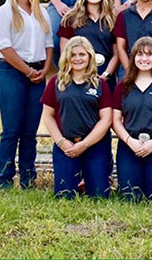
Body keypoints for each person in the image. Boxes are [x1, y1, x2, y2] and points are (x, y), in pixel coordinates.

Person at [0, 0, 53, 188]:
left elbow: (49, 44)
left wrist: (45, 69)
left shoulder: (42, 12)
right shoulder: (5, 11)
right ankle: (5, 179)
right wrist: (27, 71)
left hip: (38, 73)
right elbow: (5, 47)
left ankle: (28, 178)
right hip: (12, 72)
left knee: (30, 131)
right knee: (11, 129)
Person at [40, 37, 112, 198]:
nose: (77, 58)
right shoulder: (56, 82)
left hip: (93, 145)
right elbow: (48, 115)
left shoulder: (100, 84)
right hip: (66, 144)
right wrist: (61, 142)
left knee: (100, 196)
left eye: (82, 54)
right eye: (73, 55)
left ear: (90, 57)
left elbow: (106, 119)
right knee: (64, 195)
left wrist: (85, 144)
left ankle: (92, 180)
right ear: (66, 57)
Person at [111, 38, 152, 202]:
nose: (144, 59)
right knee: (129, 198)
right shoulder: (123, 85)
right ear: (133, 57)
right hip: (129, 145)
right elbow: (115, 120)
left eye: (149, 54)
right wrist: (129, 141)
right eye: (139, 54)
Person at [58, 0, 118, 87]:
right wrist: (75, 74)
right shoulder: (70, 19)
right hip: (77, 76)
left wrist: (106, 75)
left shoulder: (113, 19)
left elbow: (117, 54)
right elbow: (64, 52)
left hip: (105, 75)